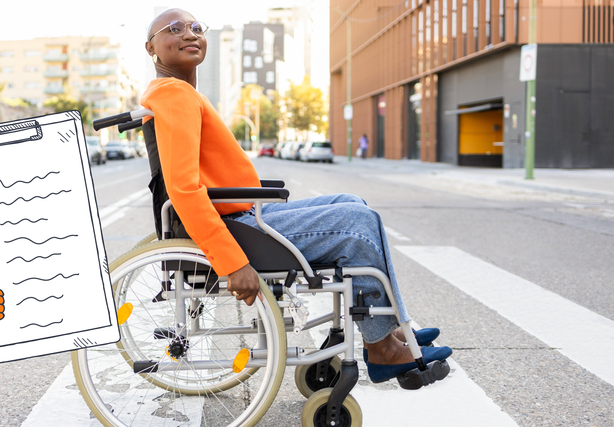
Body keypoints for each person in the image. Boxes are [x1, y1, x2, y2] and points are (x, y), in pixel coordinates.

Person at [141, 8, 451, 384]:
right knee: (358, 223)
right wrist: (232, 262)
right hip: (235, 225)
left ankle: (387, 330)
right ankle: (383, 348)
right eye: (174, 29)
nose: (189, 34)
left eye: (195, 27)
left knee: (348, 202)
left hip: (242, 213)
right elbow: (183, 189)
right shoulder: (174, 94)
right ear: (152, 48)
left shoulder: (179, 93)